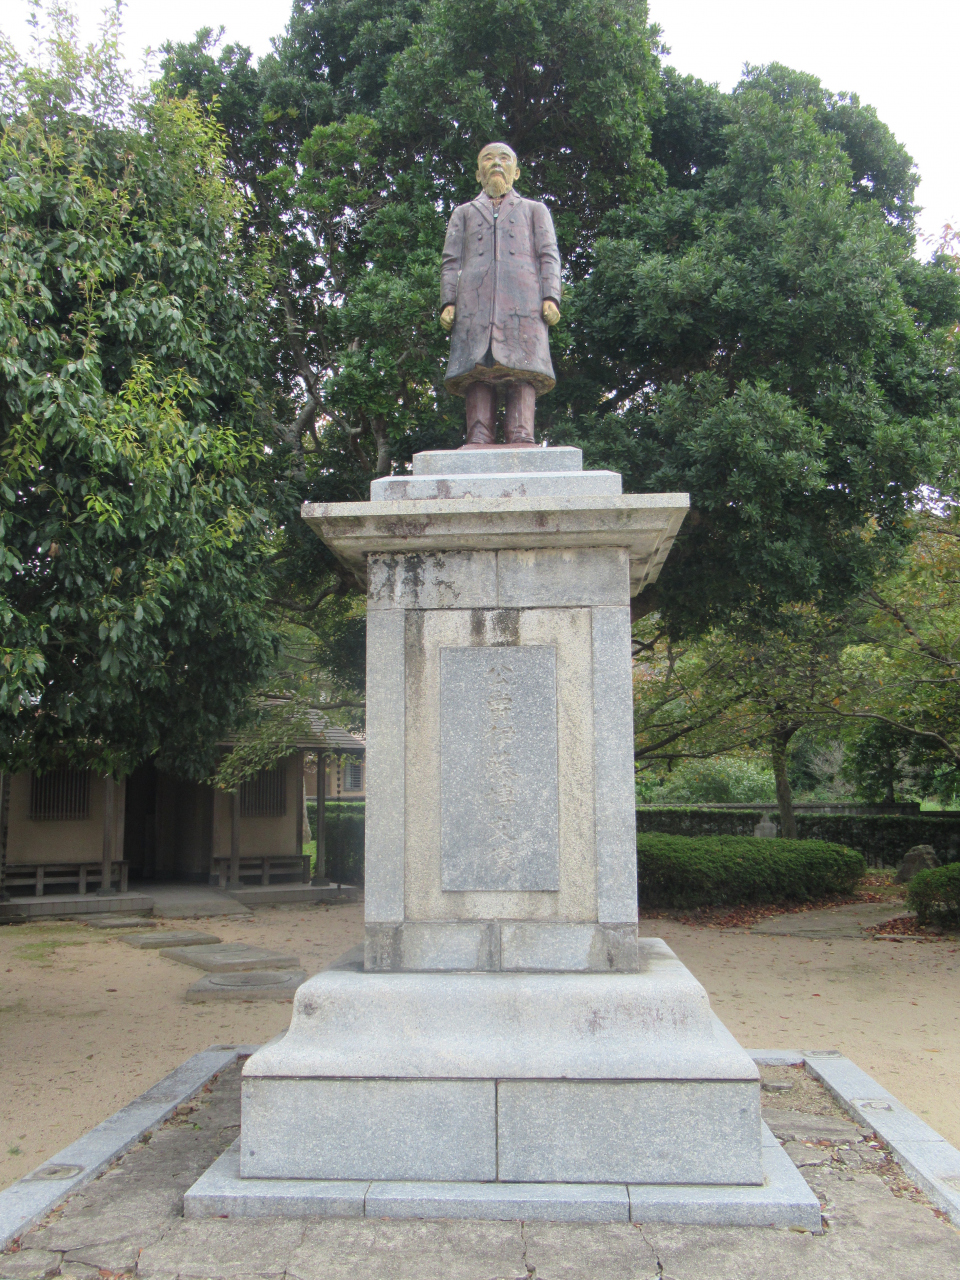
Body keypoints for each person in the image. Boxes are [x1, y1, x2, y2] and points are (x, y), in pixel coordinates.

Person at [440, 142, 561, 446]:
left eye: (504, 159)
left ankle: (521, 434)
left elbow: (549, 255)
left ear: (516, 172)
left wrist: (551, 297)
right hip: (474, 303)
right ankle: (478, 434)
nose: (496, 163)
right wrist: (448, 301)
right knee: (477, 370)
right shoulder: (463, 213)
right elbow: (450, 261)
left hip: (524, 302)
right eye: (489, 159)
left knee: (523, 369)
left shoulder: (534, 210)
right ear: (478, 173)